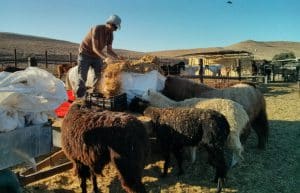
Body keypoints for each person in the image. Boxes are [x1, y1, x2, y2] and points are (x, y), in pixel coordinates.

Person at [76, 14, 122, 98]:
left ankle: (95, 94)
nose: (115, 30)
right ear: (110, 23)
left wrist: (118, 57)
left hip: (96, 56)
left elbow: (109, 50)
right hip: (85, 54)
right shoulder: (97, 29)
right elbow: (95, 48)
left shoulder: (110, 34)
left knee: (99, 75)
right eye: (115, 27)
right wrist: (106, 58)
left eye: (116, 28)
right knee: (82, 77)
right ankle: (79, 98)